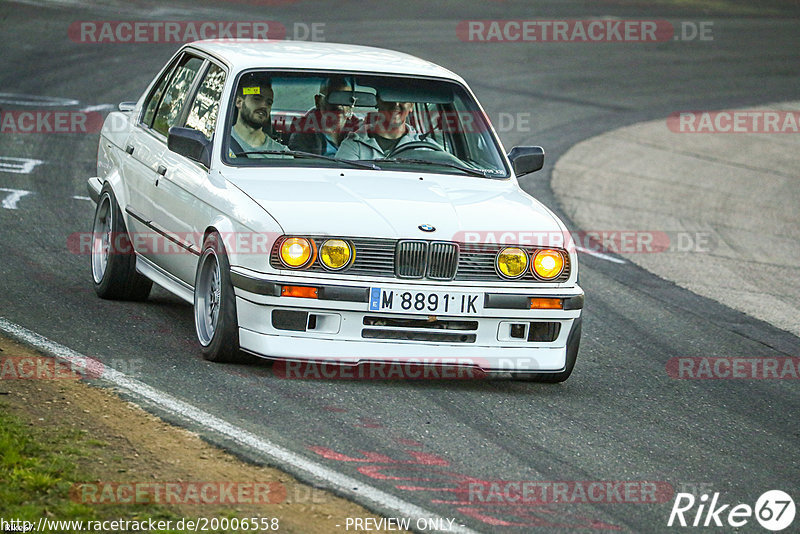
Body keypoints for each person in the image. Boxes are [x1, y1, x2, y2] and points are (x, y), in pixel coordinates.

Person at [335, 94, 440, 160]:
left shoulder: (426, 147)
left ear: (411, 106)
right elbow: (342, 180)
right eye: (389, 98)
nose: (396, 104)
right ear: (377, 102)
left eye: (403, 99)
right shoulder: (354, 144)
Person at [288, 76, 361, 156]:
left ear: (352, 103)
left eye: (344, 98)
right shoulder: (303, 134)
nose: (339, 105)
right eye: (333, 98)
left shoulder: (360, 132)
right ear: (318, 101)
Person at [229, 72, 288, 158]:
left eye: (269, 103)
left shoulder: (282, 155)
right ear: (239, 102)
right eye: (257, 99)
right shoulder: (219, 144)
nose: (264, 106)